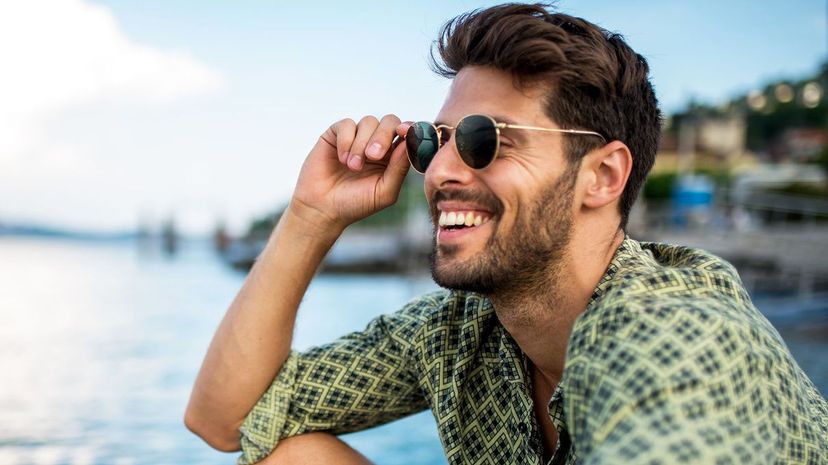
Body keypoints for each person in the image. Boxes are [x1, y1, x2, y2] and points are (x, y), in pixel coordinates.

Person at [185, 3, 828, 464]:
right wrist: (310, 217)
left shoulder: (678, 333)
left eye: (483, 140)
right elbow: (226, 420)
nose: (437, 170)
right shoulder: (460, 330)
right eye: (431, 141)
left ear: (601, 176)